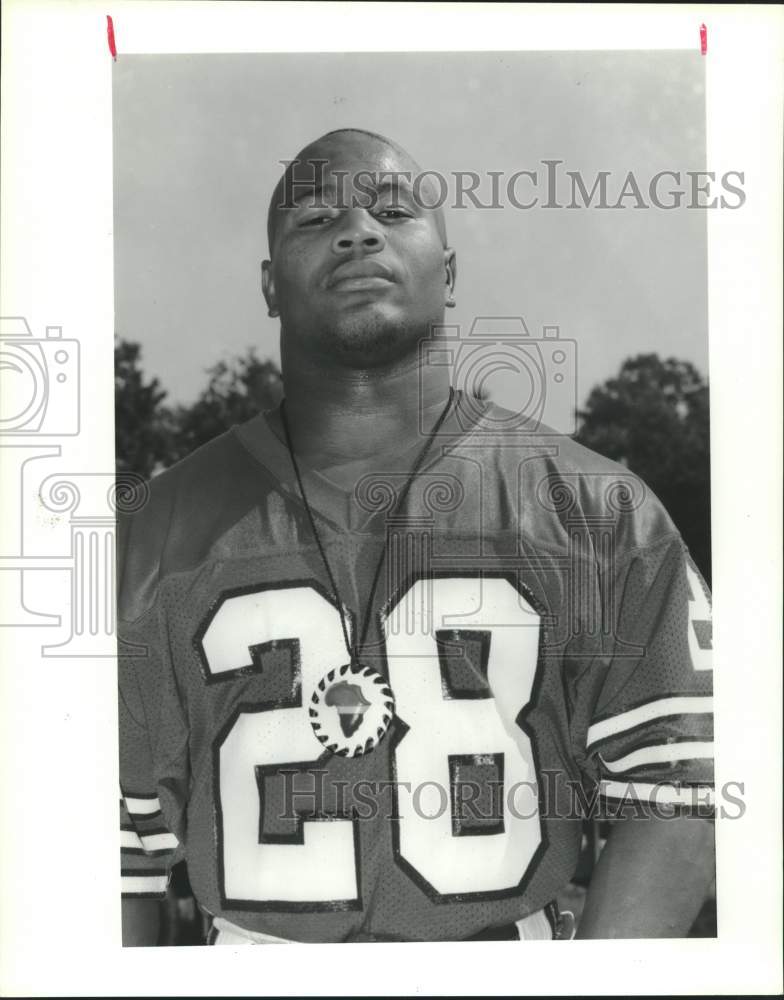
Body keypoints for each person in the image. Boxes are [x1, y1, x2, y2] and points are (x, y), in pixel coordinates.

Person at [118, 128, 715, 945]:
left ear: (450, 270)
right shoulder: (150, 533)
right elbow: (111, 854)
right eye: (314, 218)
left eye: (393, 211)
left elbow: (678, 791)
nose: (358, 229)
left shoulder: (599, 510)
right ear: (268, 286)